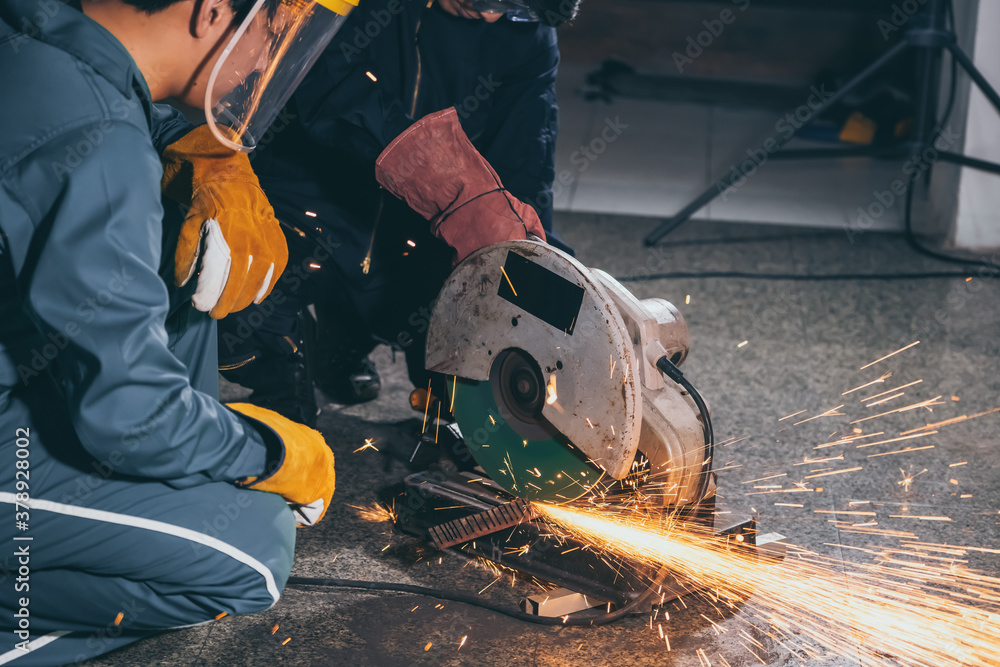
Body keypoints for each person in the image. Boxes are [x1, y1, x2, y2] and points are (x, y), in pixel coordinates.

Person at [0, 0, 352, 662]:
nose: (265, 65)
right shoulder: (102, 138)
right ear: (214, 10)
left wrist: (196, 154)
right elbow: (127, 414)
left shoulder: (34, 34)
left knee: (181, 267)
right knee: (254, 549)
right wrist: (270, 451)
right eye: (274, 34)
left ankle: (165, 470)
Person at [218, 0, 581, 426]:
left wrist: (543, 276)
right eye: (488, 1)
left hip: (413, 234)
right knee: (239, 285)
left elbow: (525, 168)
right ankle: (283, 385)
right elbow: (333, 91)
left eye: (514, 9)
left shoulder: (529, 36)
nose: (490, 17)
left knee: (473, 336)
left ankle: (346, 338)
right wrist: (455, 187)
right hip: (307, 200)